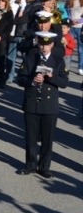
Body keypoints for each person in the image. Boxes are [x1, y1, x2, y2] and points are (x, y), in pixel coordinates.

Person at [16, 31, 69, 179]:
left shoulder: (58, 60)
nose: (44, 47)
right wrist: (32, 81)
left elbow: (65, 82)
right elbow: (20, 79)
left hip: (49, 105)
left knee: (47, 138)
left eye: (47, 44)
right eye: (41, 44)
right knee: (31, 137)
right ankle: (30, 164)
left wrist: (52, 78)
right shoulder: (30, 58)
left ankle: (44, 167)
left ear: (52, 44)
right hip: (32, 101)